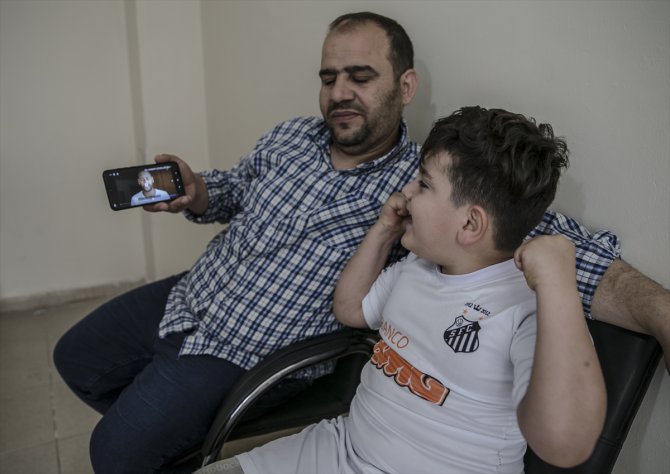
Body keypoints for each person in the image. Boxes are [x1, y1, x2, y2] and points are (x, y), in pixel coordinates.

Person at [52, 11, 668, 474]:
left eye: (360, 76)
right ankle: (169, 430)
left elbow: (554, 247)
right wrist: (197, 192)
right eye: (329, 77)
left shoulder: (426, 190)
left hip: (245, 350)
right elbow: (236, 188)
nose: (339, 92)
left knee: (115, 453)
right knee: (75, 359)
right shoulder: (291, 137)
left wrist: (661, 313)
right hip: (195, 294)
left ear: (405, 86)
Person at [195, 105, 608, 473]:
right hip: (344, 447)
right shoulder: (419, 266)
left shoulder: (527, 309)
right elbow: (351, 308)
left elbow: (564, 445)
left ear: (470, 224)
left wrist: (558, 284)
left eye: (424, 185)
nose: (407, 192)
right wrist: (384, 229)